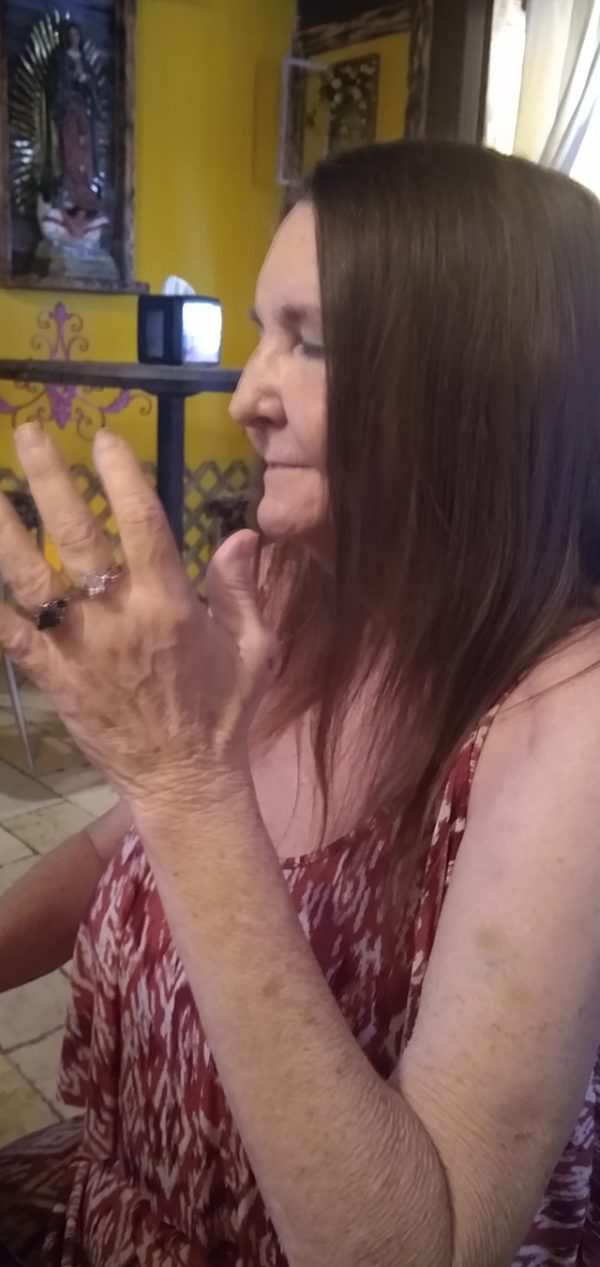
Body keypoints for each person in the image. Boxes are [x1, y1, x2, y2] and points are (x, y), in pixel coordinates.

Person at [0, 138, 600, 1266]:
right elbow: (120, 842)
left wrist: (183, 777)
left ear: (486, 384)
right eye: (260, 335)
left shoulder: (573, 721)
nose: (244, 399)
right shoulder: (292, 585)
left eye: (310, 342)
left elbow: (428, 1244)